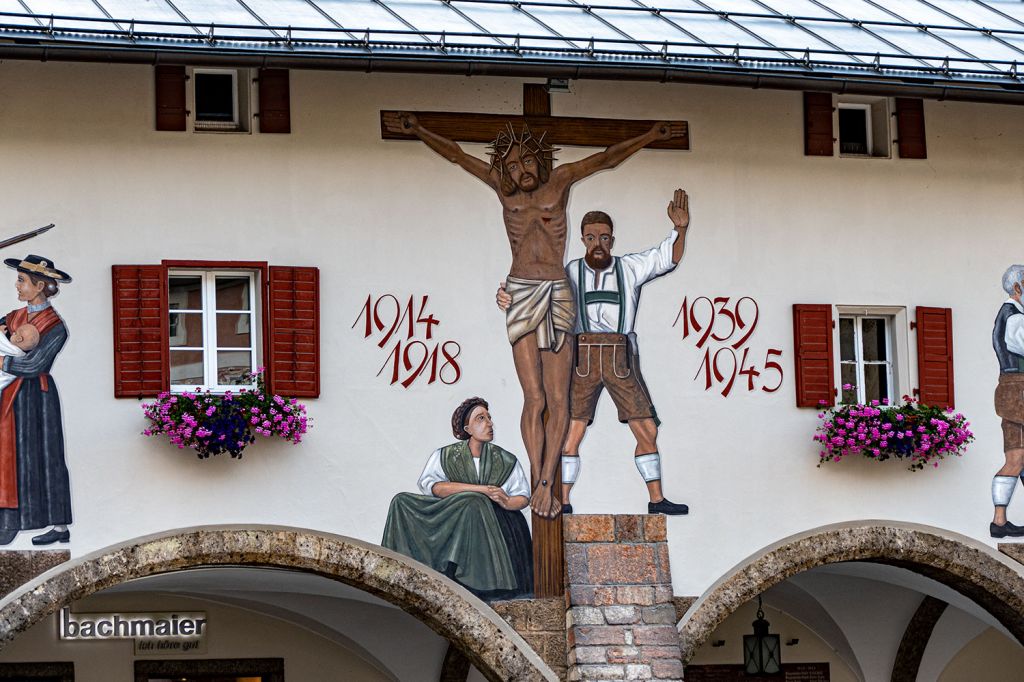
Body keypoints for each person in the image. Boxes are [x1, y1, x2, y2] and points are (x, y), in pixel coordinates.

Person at [382, 113, 686, 518]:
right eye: (511, 165)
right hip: (522, 289)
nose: (520, 170)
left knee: (562, 399)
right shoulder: (502, 190)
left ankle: (547, 481)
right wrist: (418, 130)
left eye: (526, 162)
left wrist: (649, 135)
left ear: (540, 160)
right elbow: (456, 156)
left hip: (558, 291)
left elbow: (607, 158)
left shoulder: (559, 181)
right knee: (534, 396)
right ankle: (537, 474)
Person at [498, 189, 691, 515]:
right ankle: (567, 501)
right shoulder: (569, 272)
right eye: (590, 238)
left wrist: (680, 229)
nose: (597, 243)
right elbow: (533, 293)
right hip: (582, 356)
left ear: (612, 241)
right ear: (583, 240)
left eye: (603, 238)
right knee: (572, 431)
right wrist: (507, 297)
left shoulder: (630, 268)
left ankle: (656, 500)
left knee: (647, 429)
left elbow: (667, 257)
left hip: (619, 356)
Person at [382, 397, 533, 600]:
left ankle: (475, 579)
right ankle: (402, 567)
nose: (489, 423)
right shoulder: (446, 455)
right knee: (401, 501)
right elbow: (435, 487)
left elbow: (522, 497)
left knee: (474, 502)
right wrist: (482, 490)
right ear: (467, 428)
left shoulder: (505, 460)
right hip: (453, 513)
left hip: (497, 521)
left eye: (489, 417)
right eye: (481, 418)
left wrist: (506, 501)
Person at [0, 254, 73, 546]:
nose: (17, 285)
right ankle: (9, 521)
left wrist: (2, 360)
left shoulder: (55, 326)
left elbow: (34, 366)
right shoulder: (13, 316)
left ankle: (58, 526)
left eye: (22, 280)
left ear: (40, 285)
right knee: (7, 458)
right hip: (10, 398)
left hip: (36, 400)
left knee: (43, 459)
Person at [990, 264, 1024, 537]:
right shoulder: (1014, 318)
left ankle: (999, 522)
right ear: (1017, 287)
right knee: (1017, 458)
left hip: (1012, 390)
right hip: (1019, 390)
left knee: (1016, 457)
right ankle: (999, 520)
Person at [0, 324, 40, 392]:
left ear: (19, 339)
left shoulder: (12, 349)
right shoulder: (22, 355)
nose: (12, 333)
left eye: (15, 333)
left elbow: (2, 342)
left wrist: (1, 333)